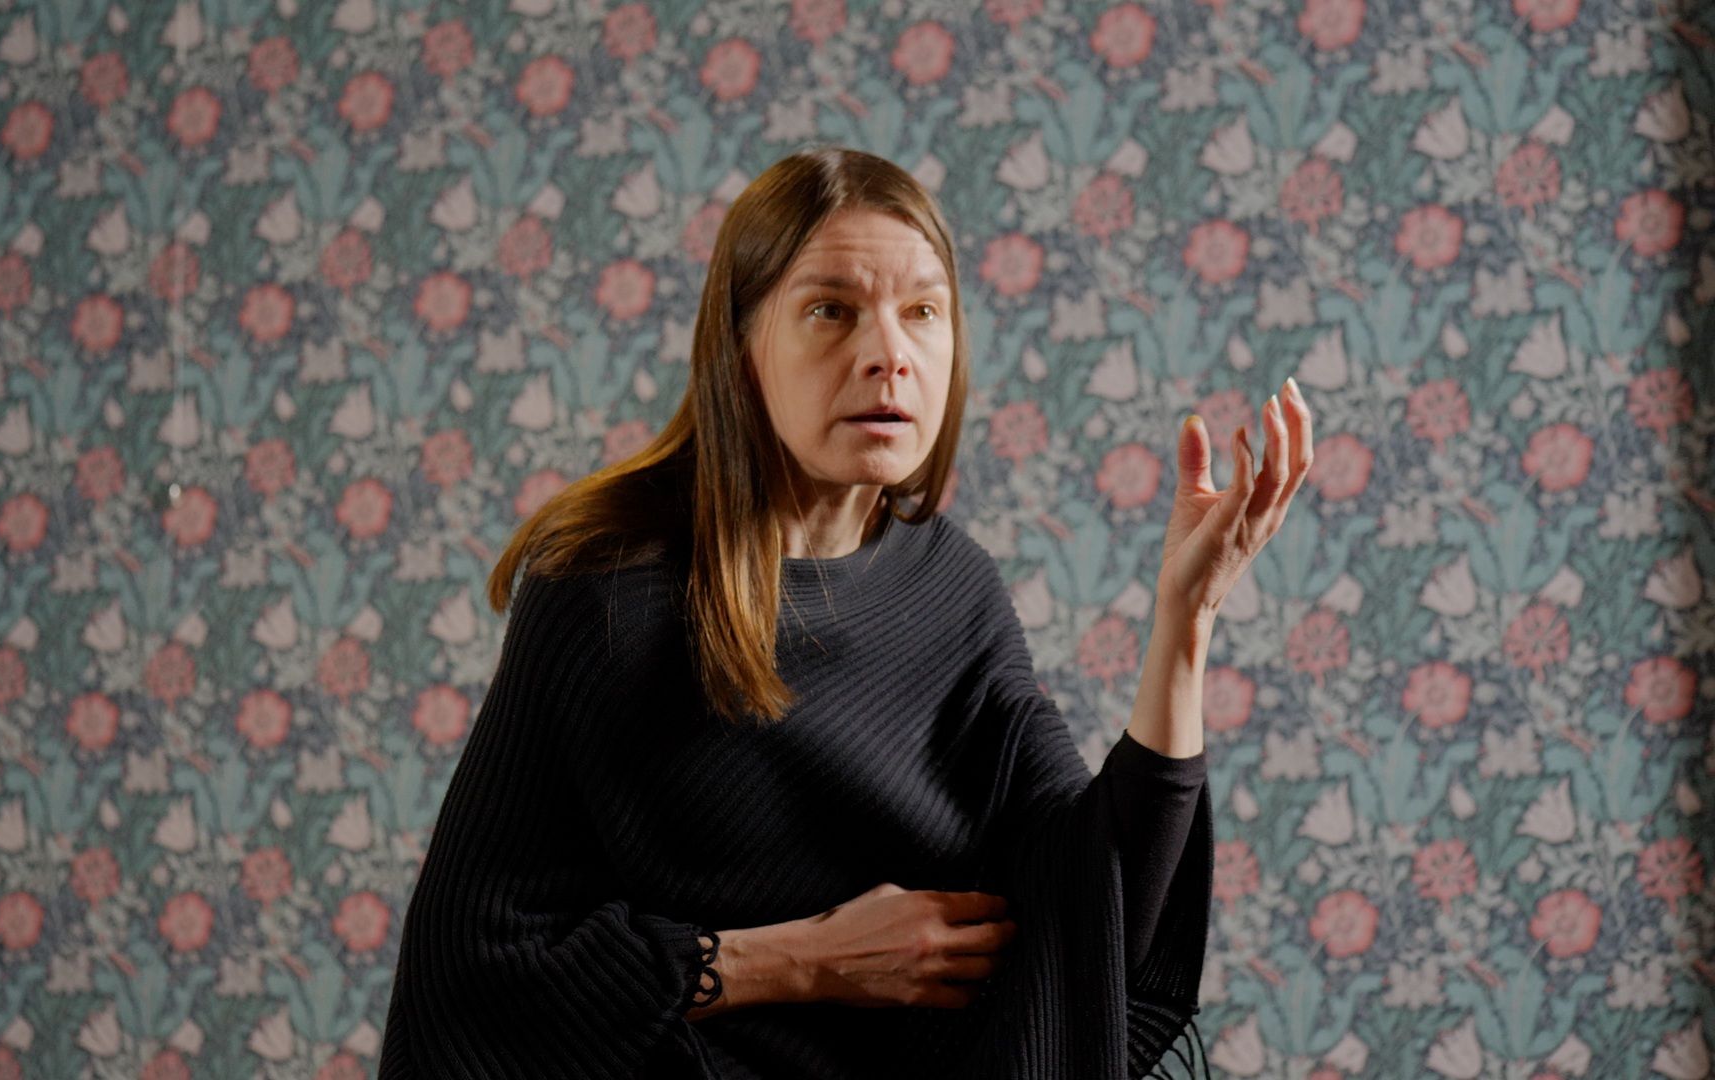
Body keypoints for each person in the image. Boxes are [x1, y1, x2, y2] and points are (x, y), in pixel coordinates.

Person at [378, 145, 1314, 1079]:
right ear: (741, 349)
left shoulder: (953, 589)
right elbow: (473, 968)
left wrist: (1185, 619)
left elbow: (1096, 911)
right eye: (831, 311)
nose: (888, 356)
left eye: (923, 313)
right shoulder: (606, 591)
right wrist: (803, 961)